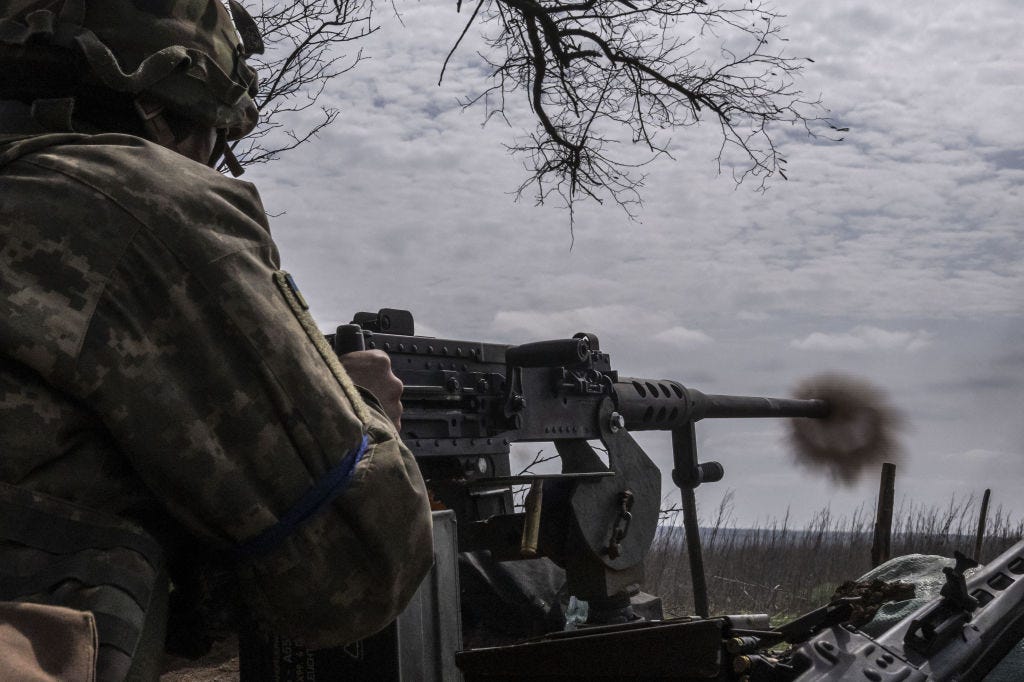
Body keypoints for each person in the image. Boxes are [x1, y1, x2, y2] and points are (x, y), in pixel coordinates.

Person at [0, 1, 434, 679]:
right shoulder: (139, 202)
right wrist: (368, 417)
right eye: (214, 139)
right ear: (164, 112)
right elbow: (353, 572)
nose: (210, 163)